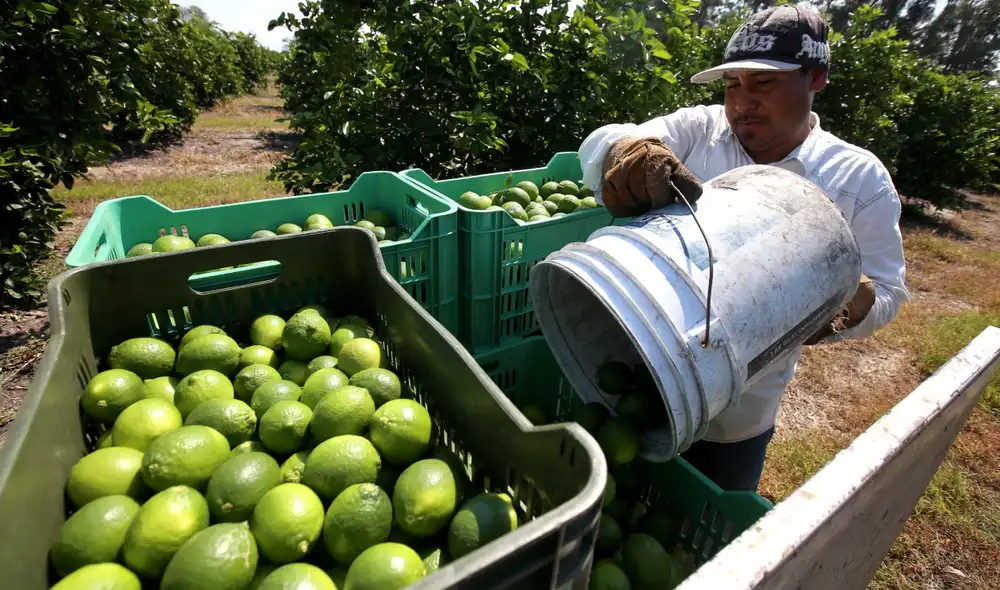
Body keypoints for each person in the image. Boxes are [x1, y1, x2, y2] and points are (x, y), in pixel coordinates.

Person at [578, 4, 910, 492]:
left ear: (815, 78)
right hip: (637, 362)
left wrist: (842, 303)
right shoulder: (701, 131)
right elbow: (608, 140)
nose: (741, 103)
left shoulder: (856, 179)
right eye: (733, 84)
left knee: (708, 529)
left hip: (739, 411)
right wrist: (626, 154)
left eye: (764, 83)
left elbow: (888, 291)